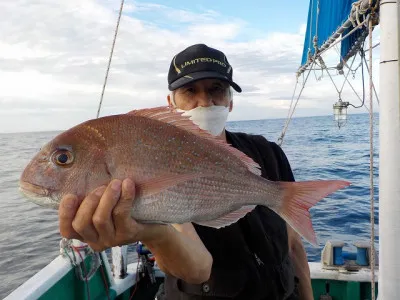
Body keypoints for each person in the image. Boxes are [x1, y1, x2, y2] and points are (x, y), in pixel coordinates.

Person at [58, 44, 313, 300]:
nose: (204, 101)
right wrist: (151, 233)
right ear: (171, 103)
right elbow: (198, 269)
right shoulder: (157, 156)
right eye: (190, 91)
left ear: (230, 101)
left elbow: (293, 243)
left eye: (217, 89)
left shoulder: (267, 152)